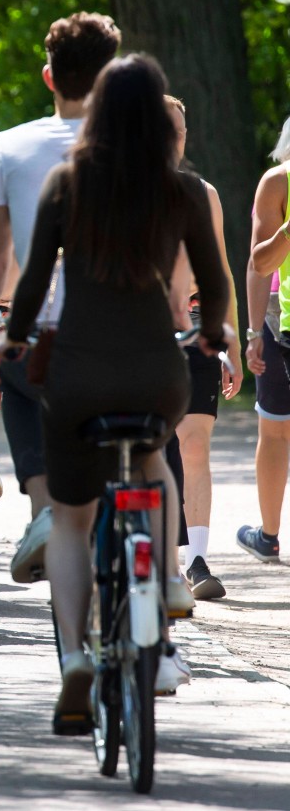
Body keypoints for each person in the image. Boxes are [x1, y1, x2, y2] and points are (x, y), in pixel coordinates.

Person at [1, 55, 230, 721]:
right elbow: (212, 283)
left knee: (72, 517)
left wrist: (12, 338)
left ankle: (75, 653)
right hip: (156, 371)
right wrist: (212, 332)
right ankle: (163, 582)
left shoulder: (68, 182)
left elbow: (34, 280)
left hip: (78, 372)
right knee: (155, 456)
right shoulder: (180, 188)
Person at [0, 14, 120, 552]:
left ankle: (43, 505)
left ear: (49, 77)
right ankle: (167, 561)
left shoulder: (9, 146)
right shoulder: (140, 144)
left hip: (48, 330)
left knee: (19, 378)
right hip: (128, 330)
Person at [161, 95, 243, 599]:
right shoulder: (119, 190)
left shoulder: (202, 193)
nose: (175, 138)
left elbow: (221, 272)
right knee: (145, 446)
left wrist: (231, 339)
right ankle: (152, 558)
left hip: (193, 328)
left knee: (194, 444)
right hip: (137, 328)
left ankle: (196, 561)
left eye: (181, 131)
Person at [241, 114, 290, 563]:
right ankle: (269, 534)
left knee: (275, 431)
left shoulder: (276, 180)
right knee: (274, 429)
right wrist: (255, 331)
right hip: (283, 324)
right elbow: (261, 263)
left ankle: (269, 534)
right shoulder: (279, 183)